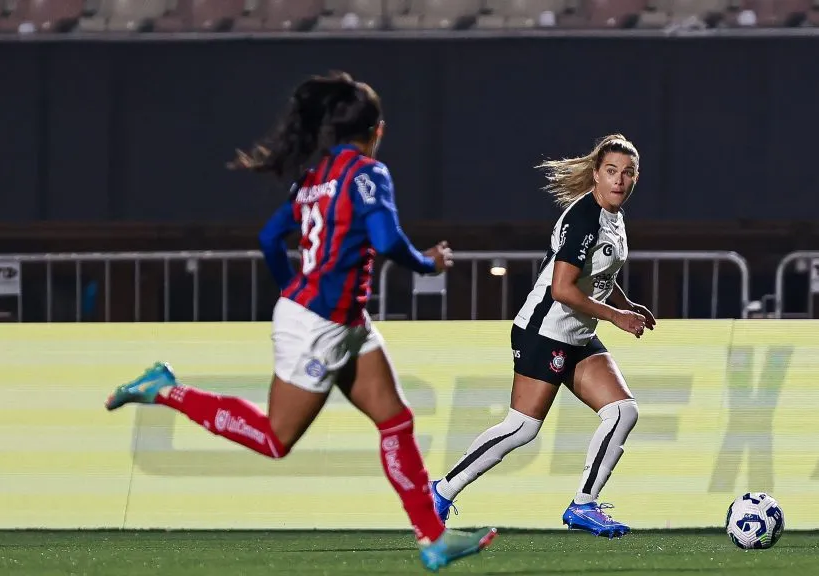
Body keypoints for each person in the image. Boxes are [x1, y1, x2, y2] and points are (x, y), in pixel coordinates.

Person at [104, 71, 497, 572]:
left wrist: (293, 289)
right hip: (320, 326)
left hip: (343, 320)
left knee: (395, 420)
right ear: (377, 130)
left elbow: (270, 238)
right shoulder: (367, 174)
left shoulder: (315, 176)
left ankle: (433, 539)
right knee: (276, 439)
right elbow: (386, 240)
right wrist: (428, 263)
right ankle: (164, 390)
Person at [430, 134, 655, 538]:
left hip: (577, 335)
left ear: (636, 177)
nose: (619, 180)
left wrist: (626, 303)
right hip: (544, 331)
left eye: (627, 173)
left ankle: (583, 505)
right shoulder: (584, 218)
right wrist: (616, 317)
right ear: (596, 174)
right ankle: (441, 492)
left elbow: (598, 275)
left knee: (623, 412)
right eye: (611, 171)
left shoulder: (613, 216)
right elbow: (562, 289)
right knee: (522, 427)